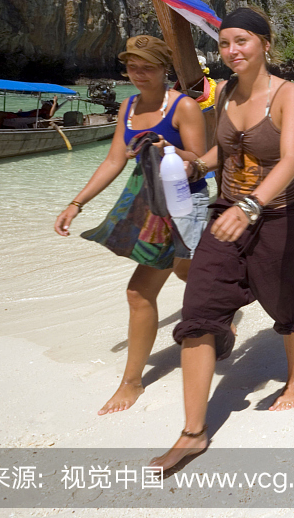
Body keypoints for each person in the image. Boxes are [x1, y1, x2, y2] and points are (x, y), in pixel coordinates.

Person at [151, 7, 294, 471]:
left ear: (265, 43)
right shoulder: (222, 92)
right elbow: (222, 151)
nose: (231, 51)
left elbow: (290, 162)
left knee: (289, 305)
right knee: (199, 309)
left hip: (276, 215)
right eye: (224, 44)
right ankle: (192, 432)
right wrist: (193, 164)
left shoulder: (288, 94)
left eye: (241, 41)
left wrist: (252, 206)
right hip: (226, 215)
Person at [54, 35, 209, 415]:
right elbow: (113, 161)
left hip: (186, 202)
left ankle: (221, 308)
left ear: (163, 69)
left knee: (193, 276)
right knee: (139, 293)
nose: (139, 74)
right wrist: (76, 203)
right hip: (150, 205)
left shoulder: (184, 107)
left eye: (148, 67)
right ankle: (132, 381)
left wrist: (168, 149)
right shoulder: (128, 106)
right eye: (132, 67)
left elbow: (202, 158)